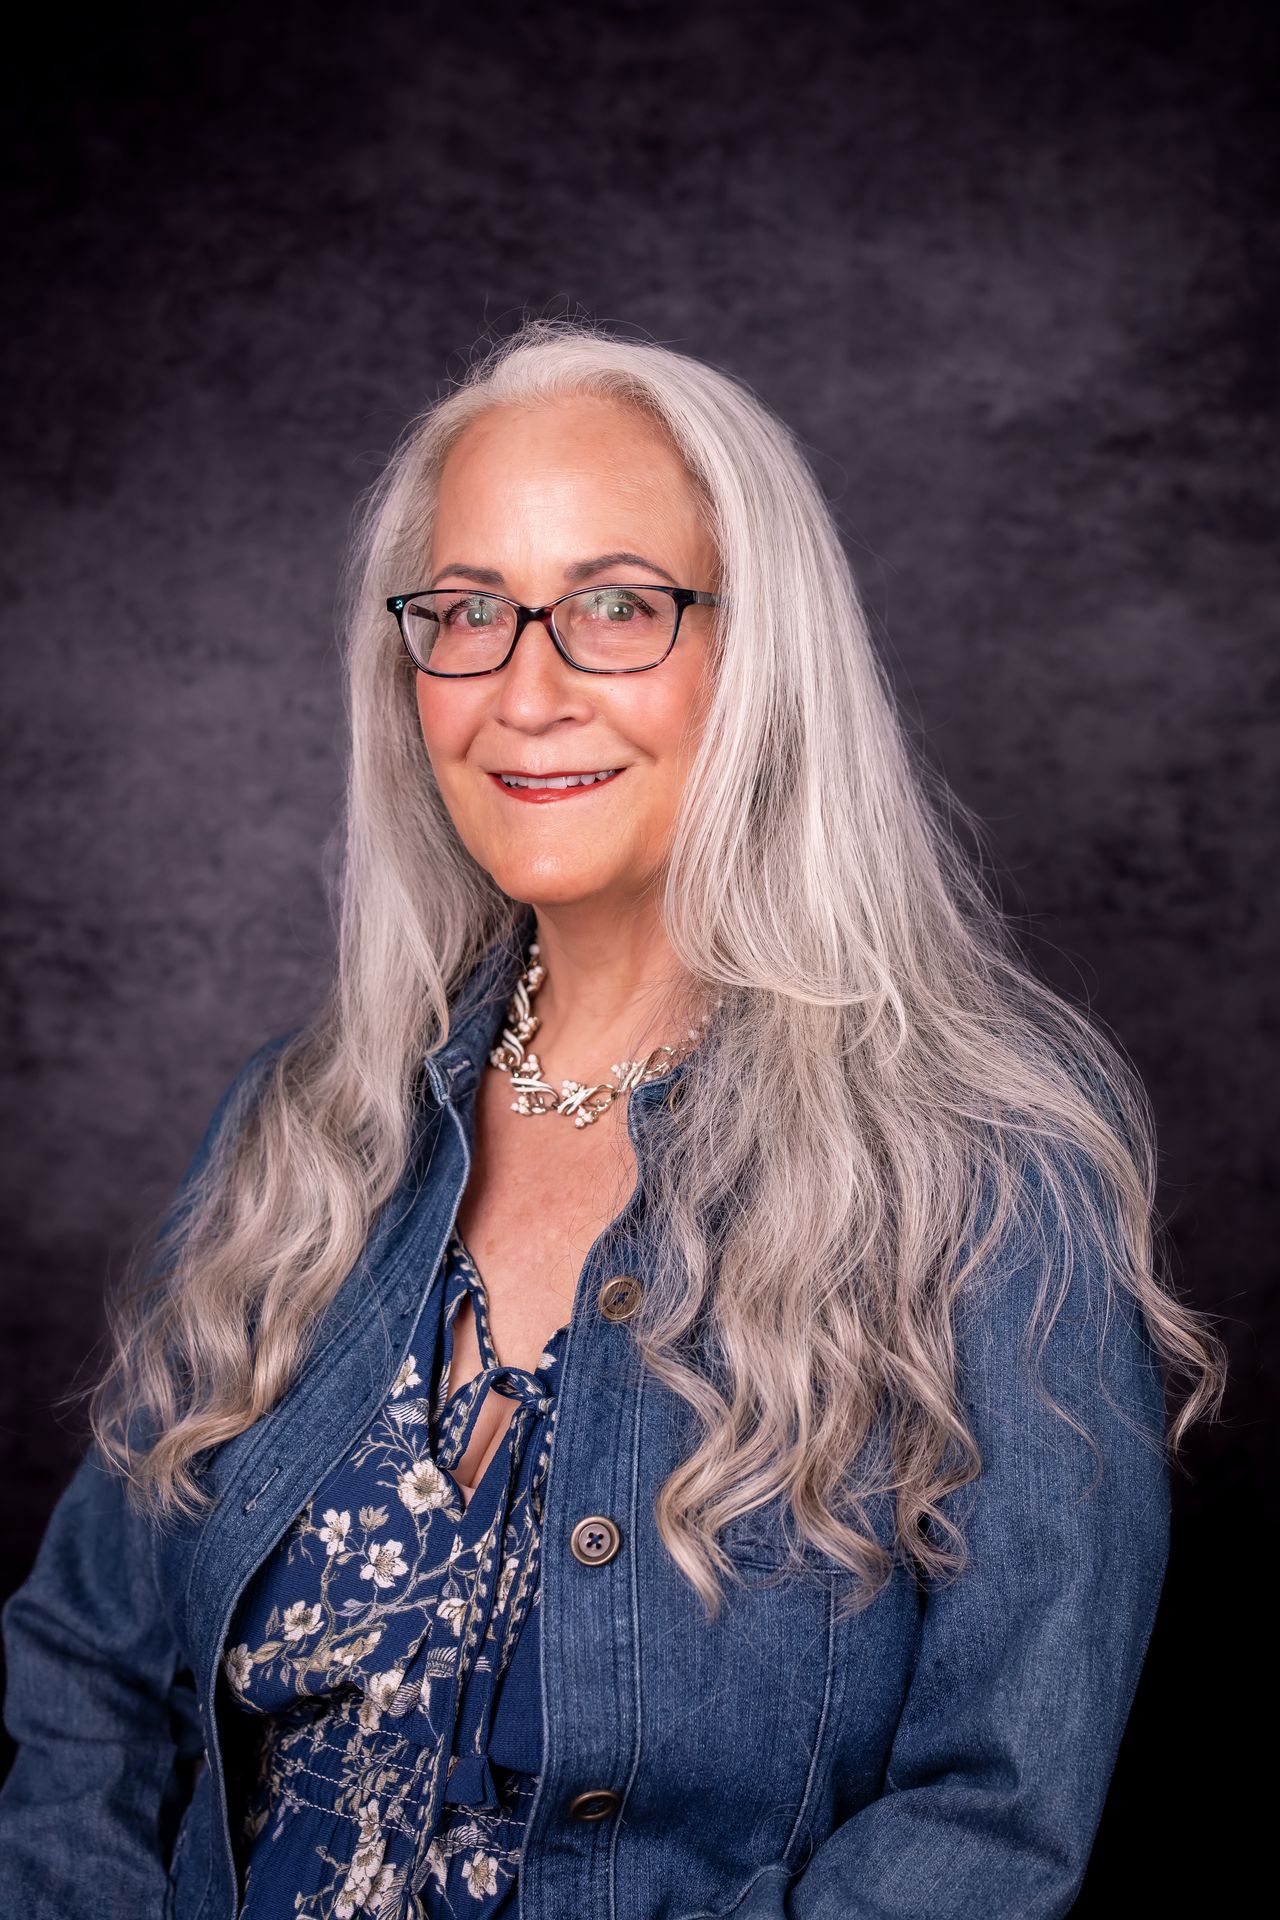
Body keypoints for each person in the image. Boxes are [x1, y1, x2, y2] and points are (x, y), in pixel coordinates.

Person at [0, 318, 1225, 1920]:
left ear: (761, 651)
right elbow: (87, 1673)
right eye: (467, 613)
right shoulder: (296, 1138)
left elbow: (991, 1824)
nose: (524, 691)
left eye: (617, 608)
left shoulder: (991, 1178)